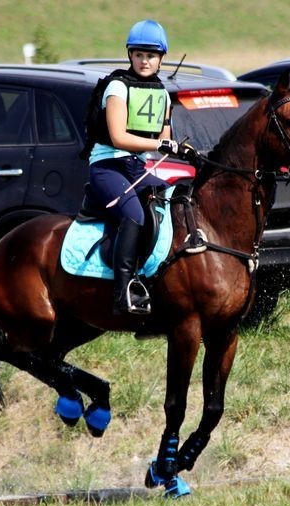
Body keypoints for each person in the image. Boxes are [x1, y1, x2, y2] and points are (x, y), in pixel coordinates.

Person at [85, 19, 192, 316]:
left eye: (152, 55)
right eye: (139, 54)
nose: (145, 61)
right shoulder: (117, 87)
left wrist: (172, 145)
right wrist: (159, 146)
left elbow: (163, 137)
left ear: (161, 59)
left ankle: (160, 277)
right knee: (133, 213)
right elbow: (118, 136)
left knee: (171, 203)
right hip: (107, 166)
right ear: (130, 55)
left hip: (137, 168)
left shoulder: (163, 94)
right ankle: (123, 291)